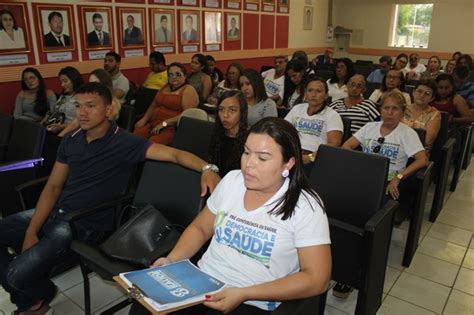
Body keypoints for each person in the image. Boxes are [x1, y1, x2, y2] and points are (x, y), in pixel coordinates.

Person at [0, 82, 220, 315]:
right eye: (78, 106)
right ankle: (34, 300)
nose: (81, 112)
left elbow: (175, 154)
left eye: (90, 106)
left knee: (15, 275)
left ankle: (36, 297)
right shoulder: (71, 140)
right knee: (14, 265)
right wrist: (32, 232)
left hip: (81, 223)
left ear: (108, 109)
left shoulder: (124, 142)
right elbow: (53, 187)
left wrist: (207, 167)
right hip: (58, 211)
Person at [130, 117, 331, 315]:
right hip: (202, 284)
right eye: (246, 152)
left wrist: (244, 293)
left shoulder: (305, 206)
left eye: (262, 158)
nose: (249, 164)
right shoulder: (232, 181)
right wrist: (171, 260)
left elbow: (317, 278)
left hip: (253, 299)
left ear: (288, 164)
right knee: (142, 308)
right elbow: (200, 229)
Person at [339, 89, 428, 298]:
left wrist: (398, 177)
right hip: (365, 179)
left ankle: (357, 269)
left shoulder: (407, 133)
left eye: (395, 109)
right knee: (340, 211)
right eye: (386, 108)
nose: (389, 113)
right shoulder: (370, 127)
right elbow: (347, 145)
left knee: (366, 219)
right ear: (380, 110)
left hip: (389, 182)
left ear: (402, 112)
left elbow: (422, 159)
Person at [134, 62, 199, 144]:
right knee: (134, 137)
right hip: (153, 124)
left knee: (151, 144)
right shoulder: (165, 87)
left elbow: (187, 115)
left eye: (178, 74)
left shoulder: (188, 89)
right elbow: (153, 105)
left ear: (185, 76)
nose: (174, 77)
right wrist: (144, 119)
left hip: (171, 128)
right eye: (171, 75)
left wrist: (164, 124)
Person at [285, 77, 343, 167]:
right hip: (291, 152)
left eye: (318, 91)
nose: (313, 94)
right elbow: (283, 130)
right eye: (310, 90)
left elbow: (334, 144)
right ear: (305, 94)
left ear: (326, 95)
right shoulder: (297, 108)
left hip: (315, 158)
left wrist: (311, 157)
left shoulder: (333, 115)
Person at [58, 68, 122, 137]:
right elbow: (76, 122)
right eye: (90, 84)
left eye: (95, 84)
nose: (92, 87)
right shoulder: (87, 102)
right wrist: (59, 137)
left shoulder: (112, 104)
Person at [208, 91, 248, 177]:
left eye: (232, 110)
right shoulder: (216, 133)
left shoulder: (250, 140)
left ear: (242, 112)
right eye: (221, 109)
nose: (225, 115)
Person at [402, 80, 441, 154]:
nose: (422, 95)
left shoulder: (434, 114)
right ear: (413, 92)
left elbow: (427, 141)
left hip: (419, 152)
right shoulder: (402, 109)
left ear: (432, 98)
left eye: (427, 94)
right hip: (398, 146)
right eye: (419, 91)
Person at [42, 66, 84, 134]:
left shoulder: (82, 97)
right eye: (61, 82)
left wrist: (61, 127)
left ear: (74, 80)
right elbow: (54, 112)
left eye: (65, 81)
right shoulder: (63, 96)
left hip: (73, 132)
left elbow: (81, 121)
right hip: (56, 128)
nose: (62, 85)